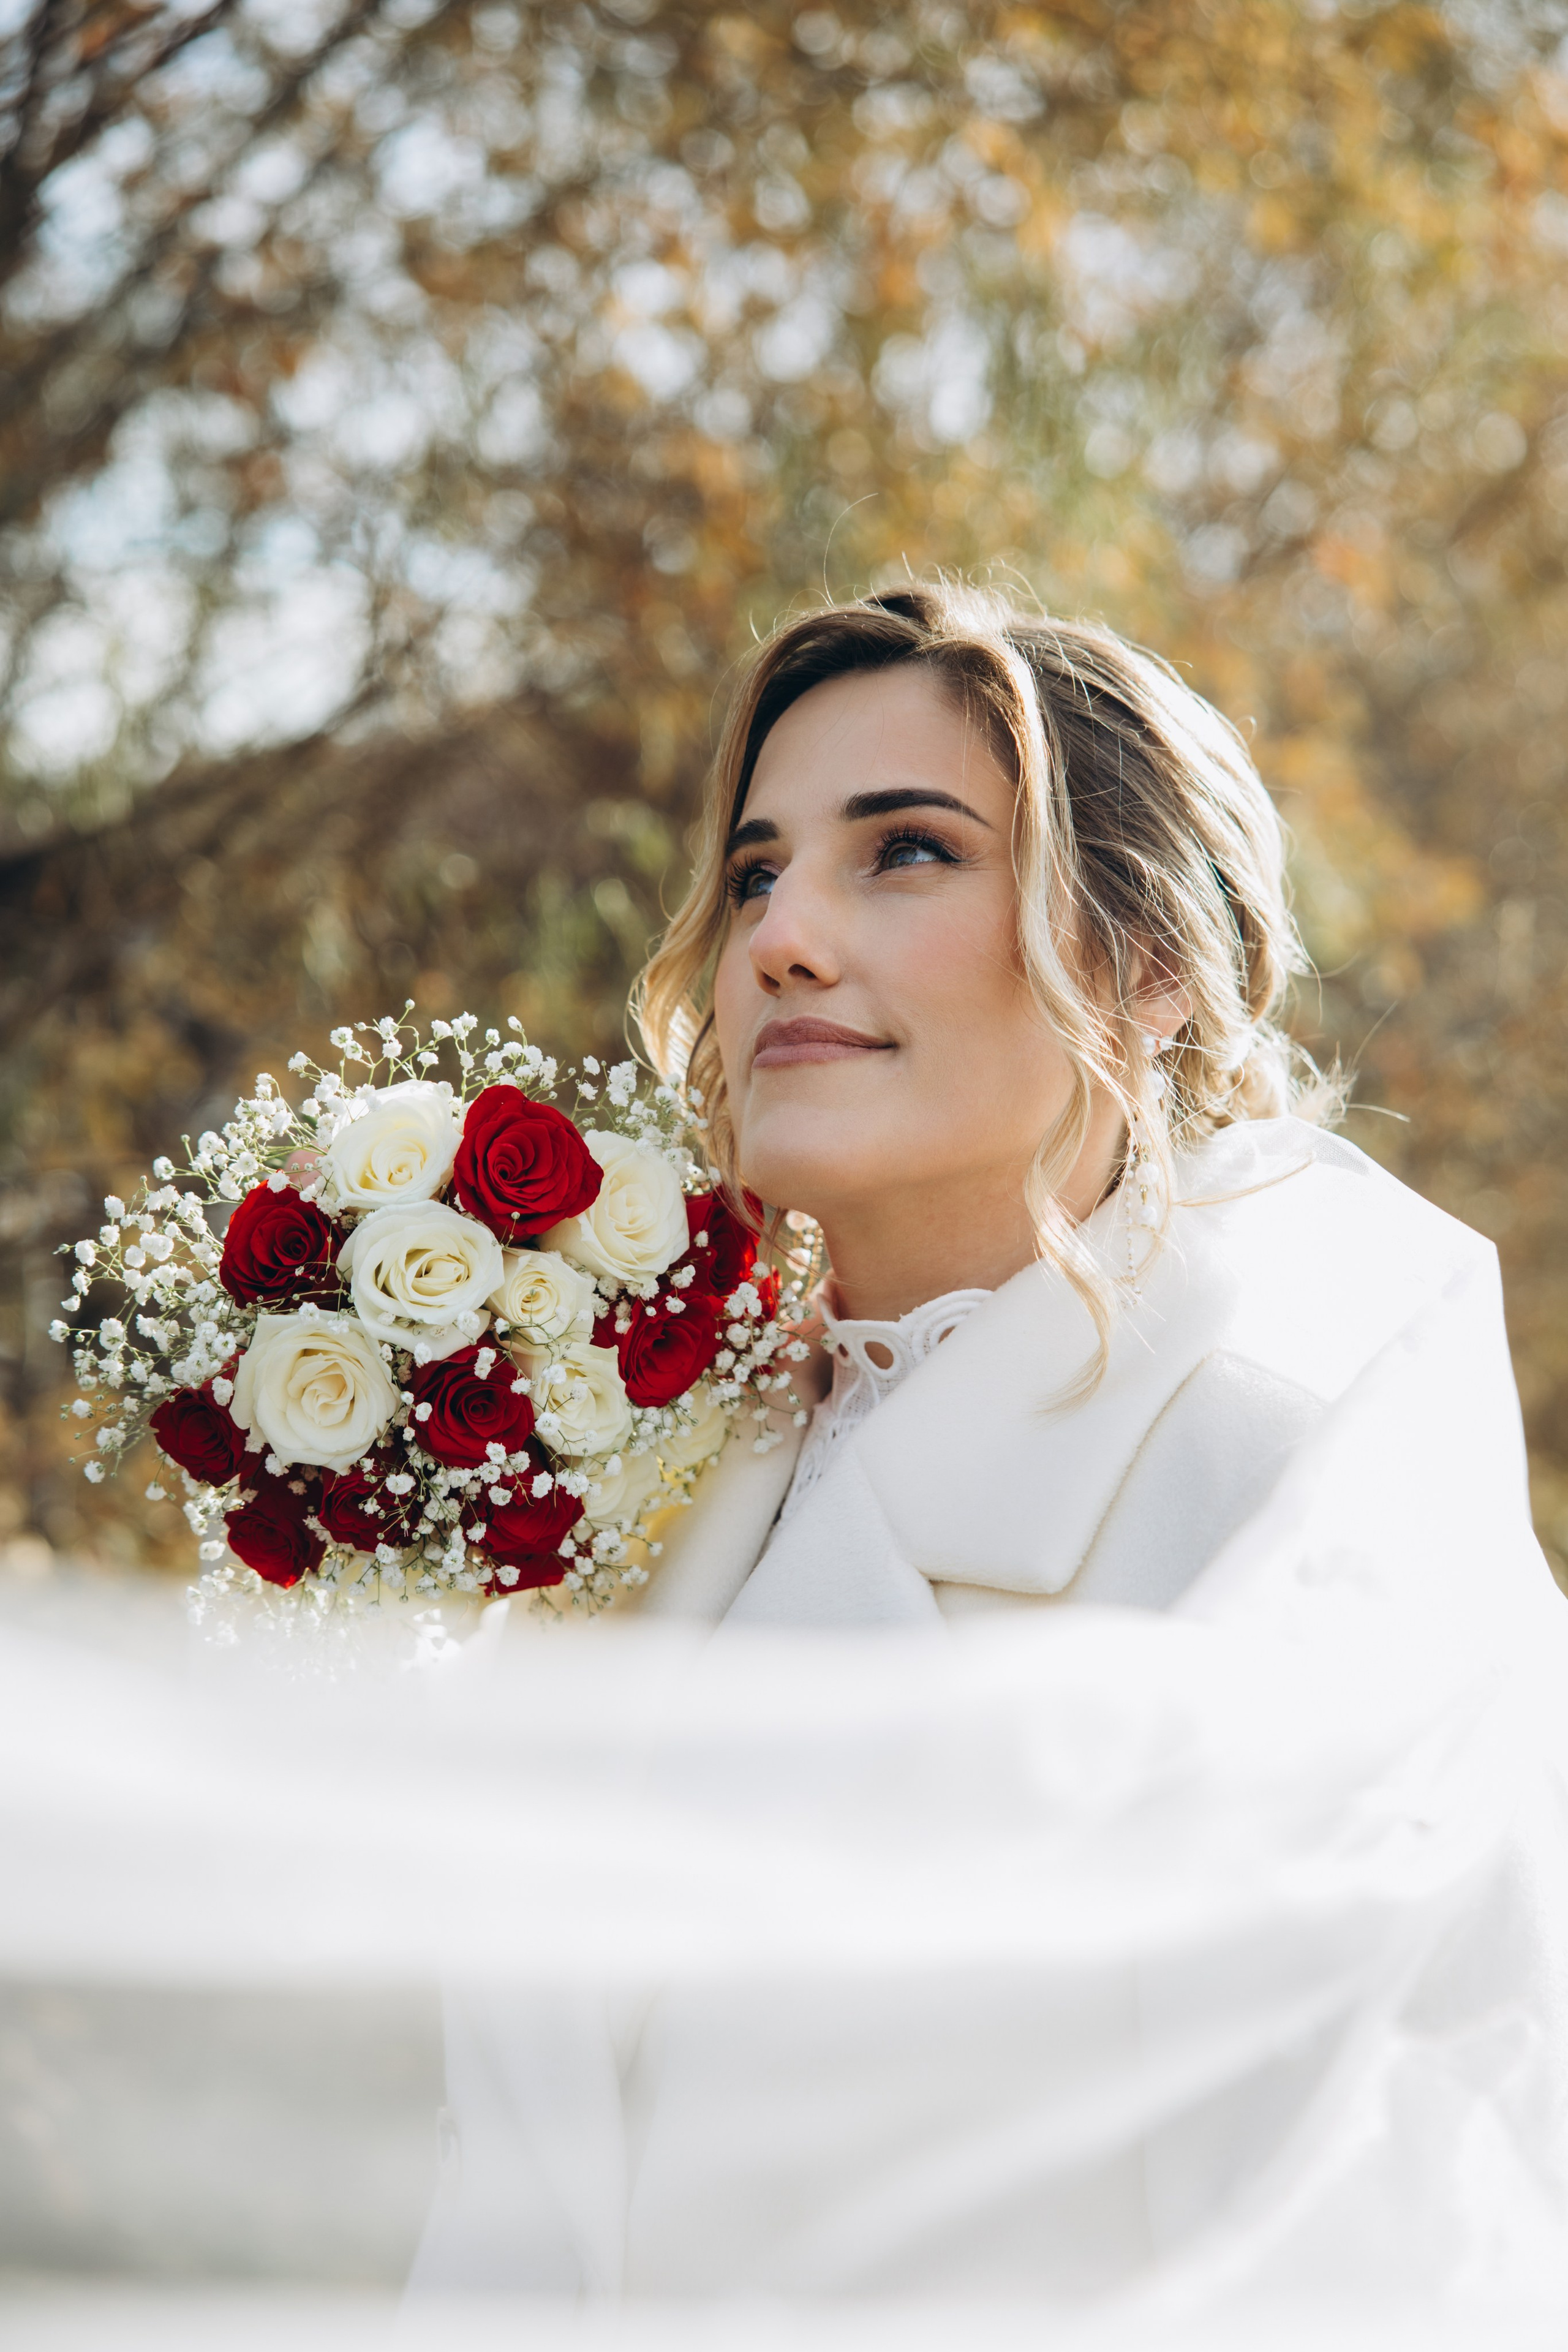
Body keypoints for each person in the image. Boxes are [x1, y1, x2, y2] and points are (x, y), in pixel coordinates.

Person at [408, 585, 1568, 2320]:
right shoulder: (656, 1472)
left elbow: (1396, 2239)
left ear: (1151, 964)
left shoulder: (1283, 1489)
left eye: (908, 852)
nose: (783, 937)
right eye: (754, 873)